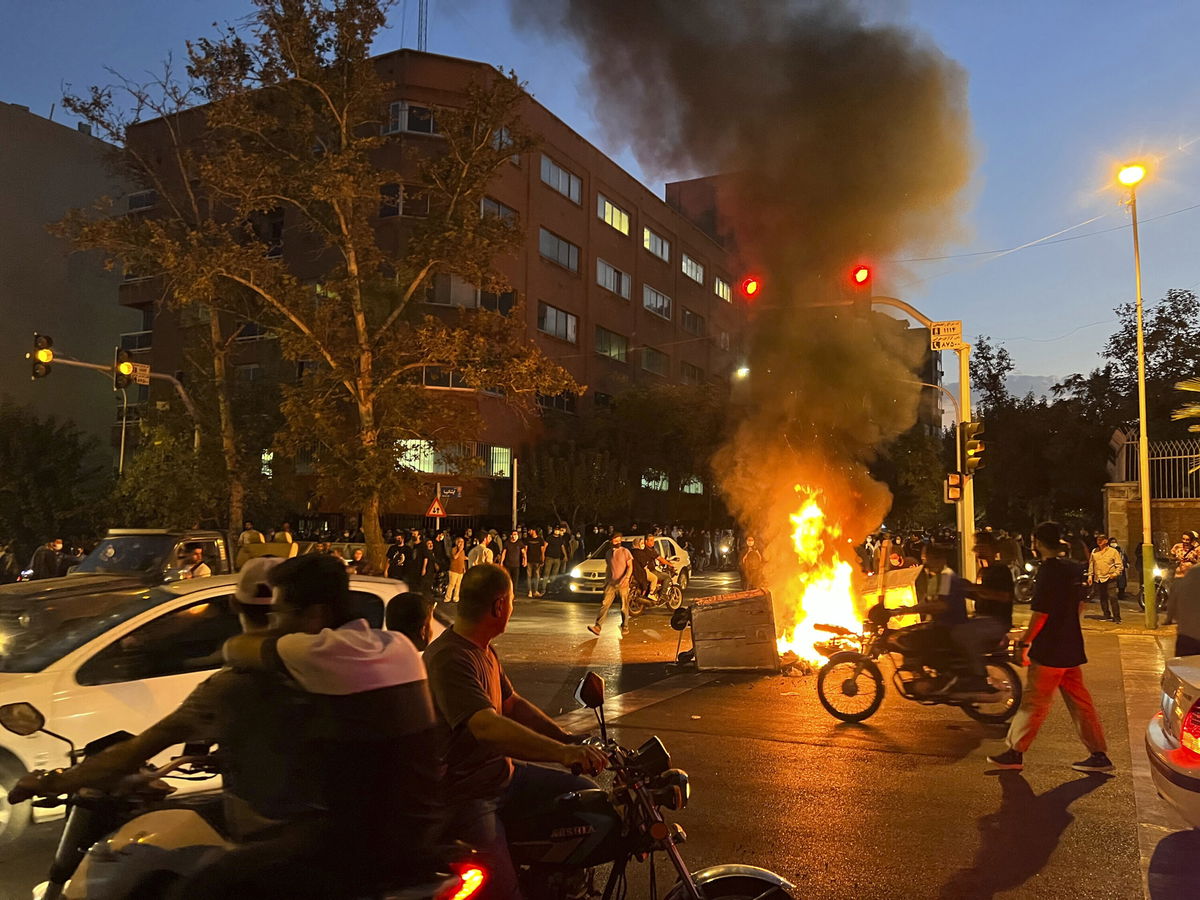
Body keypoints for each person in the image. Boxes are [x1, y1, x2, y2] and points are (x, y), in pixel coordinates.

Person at [6, 559, 331, 869]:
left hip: (276, 838)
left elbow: (133, 753)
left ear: (234, 606)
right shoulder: (328, 671)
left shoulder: (234, 686)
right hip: (317, 828)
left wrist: (54, 781)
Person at [214, 555, 442, 897]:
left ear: (315, 615)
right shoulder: (399, 646)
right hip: (424, 830)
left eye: (280, 613)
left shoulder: (314, 650)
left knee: (211, 880)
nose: (274, 622)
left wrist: (271, 635)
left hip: (357, 847)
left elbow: (236, 648)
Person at [424, 565, 607, 899]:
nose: (512, 608)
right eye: (511, 602)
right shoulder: (450, 658)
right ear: (498, 606)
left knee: (587, 798)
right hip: (469, 794)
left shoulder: (482, 648)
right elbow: (486, 726)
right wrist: (562, 754)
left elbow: (511, 703)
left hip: (502, 775)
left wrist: (566, 739)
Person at [987, 521, 1113, 774]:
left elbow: (1041, 613)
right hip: (1071, 646)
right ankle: (1098, 754)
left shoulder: (1048, 572)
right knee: (1080, 703)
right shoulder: (1073, 569)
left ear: (1037, 543)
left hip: (1049, 650)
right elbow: (1080, 606)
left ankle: (1014, 752)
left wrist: (1025, 642)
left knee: (1034, 702)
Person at [953, 533, 1015, 694]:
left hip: (996, 622)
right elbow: (979, 595)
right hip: (981, 619)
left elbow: (1003, 596)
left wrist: (975, 589)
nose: (977, 549)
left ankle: (979, 677)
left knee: (963, 634)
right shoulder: (983, 571)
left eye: (981, 545)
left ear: (992, 549)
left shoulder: (1001, 570)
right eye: (977, 545)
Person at [588, 532, 634, 637]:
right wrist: (607, 581)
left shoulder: (625, 552)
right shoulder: (608, 553)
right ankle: (598, 627)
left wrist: (627, 578)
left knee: (623, 606)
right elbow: (609, 568)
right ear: (611, 541)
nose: (618, 542)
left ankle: (625, 626)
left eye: (619, 540)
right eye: (615, 540)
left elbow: (630, 566)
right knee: (605, 604)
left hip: (623, 584)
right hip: (611, 584)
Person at [1087, 533, 1124, 623]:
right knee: (1103, 597)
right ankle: (1106, 614)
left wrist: (1115, 574)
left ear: (1106, 541)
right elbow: (1091, 564)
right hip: (1099, 577)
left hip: (1110, 577)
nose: (1099, 542)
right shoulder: (1094, 552)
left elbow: (1119, 565)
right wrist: (1090, 575)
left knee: (1113, 597)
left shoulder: (1113, 552)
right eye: (1098, 540)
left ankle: (1117, 617)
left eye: (1101, 540)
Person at [499, 530, 526, 595]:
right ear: (510, 535)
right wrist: (501, 562)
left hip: (516, 565)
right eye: (513, 534)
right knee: (508, 580)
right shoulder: (507, 543)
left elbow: (524, 553)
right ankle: (507, 593)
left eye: (515, 534)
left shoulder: (519, 543)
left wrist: (525, 560)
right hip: (508, 564)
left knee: (515, 581)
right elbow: (504, 553)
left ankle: (513, 594)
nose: (514, 536)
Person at [524, 528, 547, 598]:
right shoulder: (527, 539)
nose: (529, 532)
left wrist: (542, 559)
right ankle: (529, 591)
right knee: (529, 576)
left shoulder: (540, 539)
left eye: (530, 530)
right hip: (529, 560)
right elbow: (525, 550)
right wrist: (524, 559)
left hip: (537, 561)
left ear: (533, 530)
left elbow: (542, 551)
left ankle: (535, 591)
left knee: (536, 576)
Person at [447, 536, 467, 602]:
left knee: (458, 585)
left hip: (460, 570)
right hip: (454, 570)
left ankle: (456, 598)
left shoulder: (463, 551)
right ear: (457, 542)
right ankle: (448, 598)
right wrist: (459, 550)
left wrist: (464, 568)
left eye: (462, 542)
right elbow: (455, 557)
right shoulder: (454, 549)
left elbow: (462, 559)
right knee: (452, 584)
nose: (461, 543)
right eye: (460, 542)